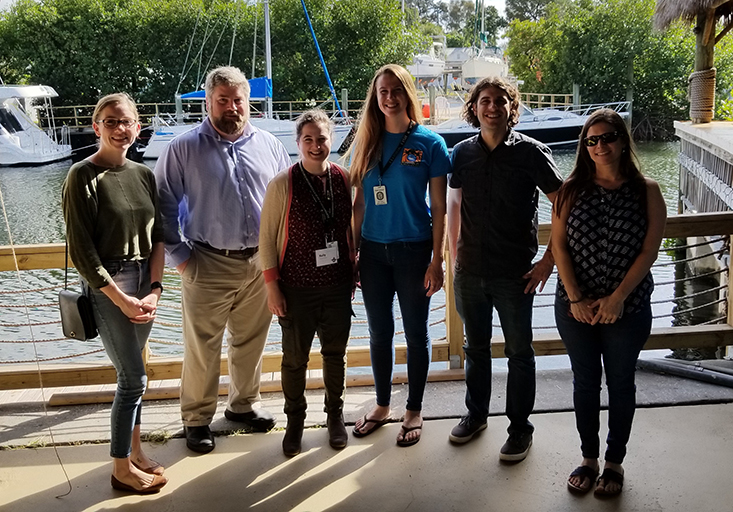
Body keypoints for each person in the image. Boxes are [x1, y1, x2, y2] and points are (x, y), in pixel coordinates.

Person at [155, 66, 290, 454]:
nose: (232, 108)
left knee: (250, 340)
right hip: (206, 260)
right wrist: (181, 258)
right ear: (208, 102)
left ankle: (243, 406)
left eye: (238, 100)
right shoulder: (183, 148)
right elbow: (163, 205)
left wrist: (278, 256)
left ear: (248, 101)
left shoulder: (269, 143)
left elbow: (285, 198)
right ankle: (197, 418)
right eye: (223, 101)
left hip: (259, 262)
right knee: (203, 346)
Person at [446, 77, 563, 462]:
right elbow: (455, 207)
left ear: (512, 108)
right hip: (469, 271)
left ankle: (519, 430)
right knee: (475, 349)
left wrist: (549, 260)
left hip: (514, 274)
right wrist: (453, 256)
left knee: (519, 353)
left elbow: (563, 204)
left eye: (500, 101)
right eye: (484, 101)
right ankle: (476, 415)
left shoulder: (532, 153)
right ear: (474, 108)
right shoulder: (461, 154)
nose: (492, 107)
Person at [553, 109, 666, 496]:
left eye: (608, 137)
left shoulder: (647, 189)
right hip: (575, 307)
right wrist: (575, 298)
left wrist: (617, 298)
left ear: (622, 141)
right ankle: (588, 458)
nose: (601, 145)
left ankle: (614, 462)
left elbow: (649, 250)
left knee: (620, 384)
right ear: (585, 146)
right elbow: (559, 246)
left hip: (627, 309)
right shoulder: (571, 189)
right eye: (592, 140)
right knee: (585, 383)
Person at [62, 93, 168, 494]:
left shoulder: (143, 174)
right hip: (110, 285)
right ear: (97, 127)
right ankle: (120, 468)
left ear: (138, 127)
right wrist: (121, 299)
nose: (120, 128)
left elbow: (158, 235)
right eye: (111, 121)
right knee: (133, 377)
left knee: (134, 376)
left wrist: (156, 289)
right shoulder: (81, 176)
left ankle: (136, 452)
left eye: (127, 122)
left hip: (144, 280)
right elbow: (83, 252)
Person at [349, 64, 450, 447]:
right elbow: (359, 206)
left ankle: (414, 409)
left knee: (416, 333)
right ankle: (381, 404)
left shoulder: (430, 144)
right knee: (379, 332)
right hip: (373, 253)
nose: (389, 98)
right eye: (382, 92)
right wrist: (354, 253)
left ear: (408, 93)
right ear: (375, 99)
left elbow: (438, 208)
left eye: (395, 90)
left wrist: (436, 260)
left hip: (413, 251)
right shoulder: (367, 141)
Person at [260, 109, 354, 456]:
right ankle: (295, 421)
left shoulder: (343, 179)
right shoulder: (282, 183)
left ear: (331, 141)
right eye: (308, 140)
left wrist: (354, 266)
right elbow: (266, 240)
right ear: (298, 143)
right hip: (295, 287)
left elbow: (348, 230)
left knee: (335, 355)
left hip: (337, 284)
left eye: (322, 139)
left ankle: (335, 417)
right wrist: (272, 286)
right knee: (294, 359)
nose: (316, 146)